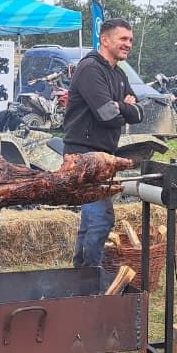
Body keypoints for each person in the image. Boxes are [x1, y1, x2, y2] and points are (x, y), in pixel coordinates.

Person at [62, 18, 143, 269]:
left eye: (130, 39)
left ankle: (80, 277)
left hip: (104, 155)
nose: (128, 44)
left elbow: (140, 113)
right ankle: (90, 278)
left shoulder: (118, 74)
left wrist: (123, 107)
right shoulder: (89, 69)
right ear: (105, 39)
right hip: (83, 156)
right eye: (123, 39)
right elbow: (108, 116)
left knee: (92, 220)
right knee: (100, 219)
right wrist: (124, 106)